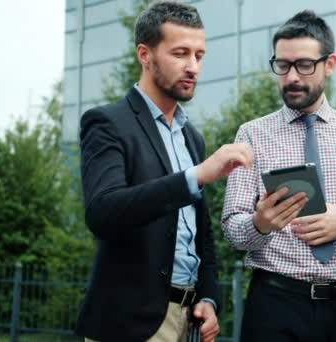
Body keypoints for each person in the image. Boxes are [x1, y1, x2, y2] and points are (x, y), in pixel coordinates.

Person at [75, 2, 253, 341]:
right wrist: (196, 176)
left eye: (199, 55)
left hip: (189, 322)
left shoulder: (191, 137)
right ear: (145, 54)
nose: (193, 67)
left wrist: (209, 297)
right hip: (130, 324)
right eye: (180, 53)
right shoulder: (107, 123)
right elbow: (102, 212)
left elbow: (202, 235)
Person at [221, 10, 336, 342]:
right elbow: (232, 228)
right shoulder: (251, 134)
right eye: (282, 66)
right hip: (274, 303)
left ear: (329, 64)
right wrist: (260, 224)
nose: (291, 77)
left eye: (304, 65)